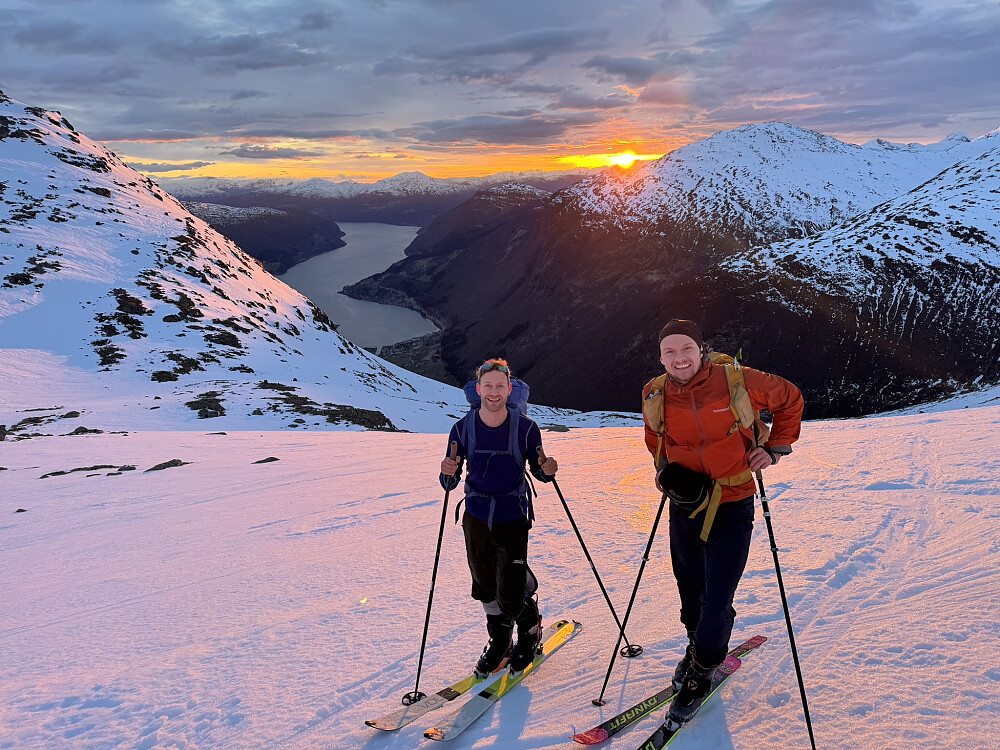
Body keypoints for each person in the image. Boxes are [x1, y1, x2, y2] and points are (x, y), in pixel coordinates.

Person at [641, 319, 803, 725]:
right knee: (689, 587)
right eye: (669, 352)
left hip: (733, 501)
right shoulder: (654, 392)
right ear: (661, 357)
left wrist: (775, 448)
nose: (679, 358)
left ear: (702, 350)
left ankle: (704, 669)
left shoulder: (738, 380)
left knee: (717, 594)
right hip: (686, 503)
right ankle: (697, 646)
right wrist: (663, 470)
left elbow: (790, 398)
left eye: (686, 349)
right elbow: (655, 436)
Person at [440, 358, 559, 676]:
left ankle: (529, 631)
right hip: (476, 518)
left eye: (500, 386)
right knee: (484, 584)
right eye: (488, 385)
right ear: (478, 389)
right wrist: (447, 472)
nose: (494, 392)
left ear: (509, 390)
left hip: (512, 516)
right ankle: (500, 640)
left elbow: (538, 469)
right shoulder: (462, 428)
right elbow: (451, 480)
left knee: (511, 592)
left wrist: (547, 470)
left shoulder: (526, 428)